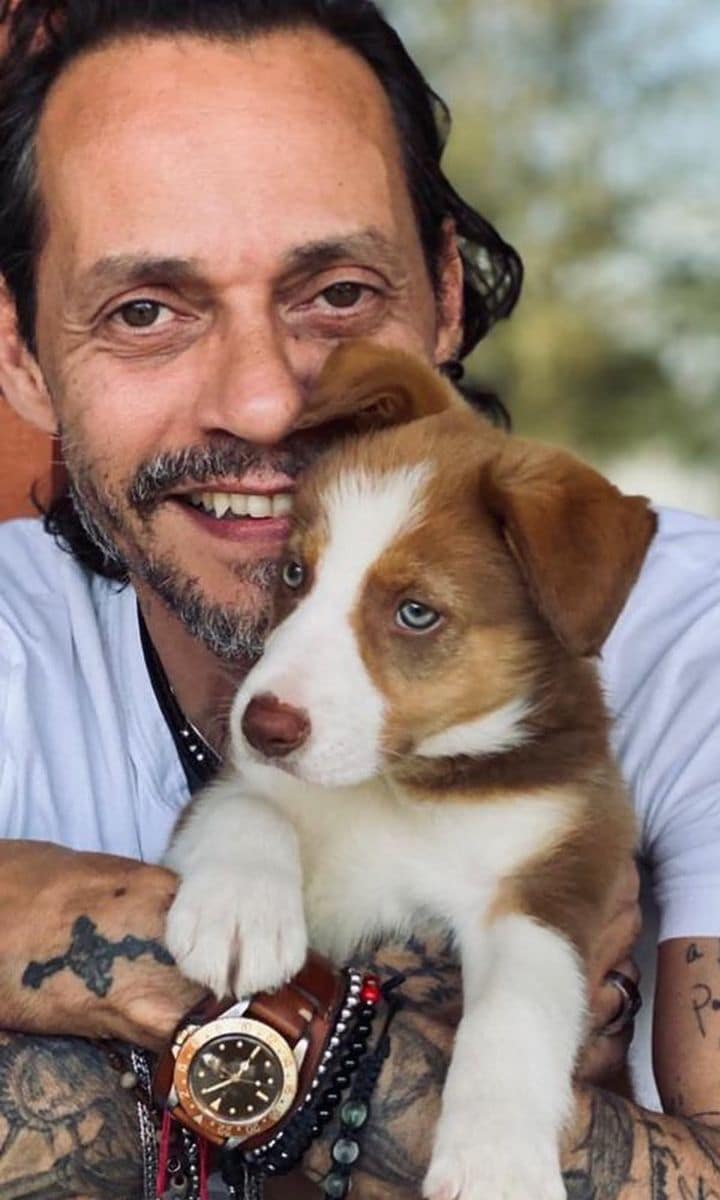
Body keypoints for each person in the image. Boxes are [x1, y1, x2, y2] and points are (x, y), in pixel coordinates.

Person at [0, 1, 719, 1197]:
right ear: (21, 352)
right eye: (146, 311)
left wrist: (82, 937)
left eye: (334, 292)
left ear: (444, 293)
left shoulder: (687, 639)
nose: (272, 406)